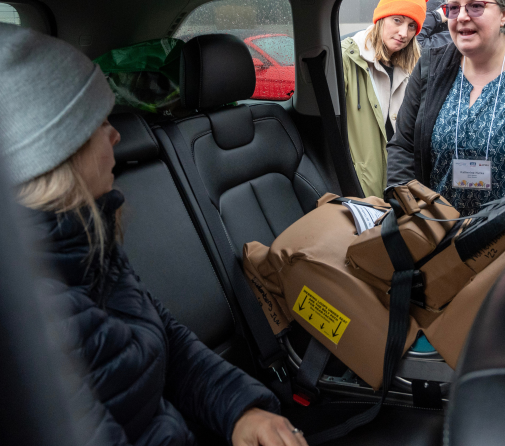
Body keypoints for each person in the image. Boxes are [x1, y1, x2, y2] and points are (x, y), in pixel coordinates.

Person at [0, 23, 308, 446]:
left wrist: (241, 410)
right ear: (58, 155)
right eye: (98, 124)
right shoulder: (31, 324)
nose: (116, 134)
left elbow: (165, 338)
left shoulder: (90, 243)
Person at [387, 0, 505, 216]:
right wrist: (409, 212)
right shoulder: (430, 67)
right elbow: (403, 146)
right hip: (437, 234)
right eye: (453, 8)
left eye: (475, 6)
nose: (461, 17)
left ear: (504, 14)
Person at [341, 0, 430, 197]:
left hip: (400, 182)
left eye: (412, 26)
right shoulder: (348, 57)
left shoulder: (415, 66)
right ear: (381, 18)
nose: (404, 33)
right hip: (361, 185)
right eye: (397, 20)